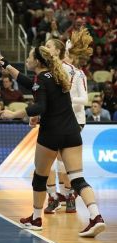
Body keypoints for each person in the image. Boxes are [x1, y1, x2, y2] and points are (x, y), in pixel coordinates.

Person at [0, 45, 105, 237]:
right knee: (77, 179)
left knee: (40, 177)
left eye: (29, 56)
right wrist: (7, 66)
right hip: (71, 131)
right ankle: (96, 217)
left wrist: (13, 114)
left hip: (51, 133)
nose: (27, 59)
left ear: (37, 61)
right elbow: (30, 83)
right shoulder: (56, 76)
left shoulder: (41, 79)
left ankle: (37, 218)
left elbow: (40, 106)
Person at [43, 28, 92, 214]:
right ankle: (63, 195)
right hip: (59, 118)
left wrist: (67, 101)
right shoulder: (54, 71)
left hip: (75, 119)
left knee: (62, 160)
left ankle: (67, 195)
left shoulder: (78, 74)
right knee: (58, 160)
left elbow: (85, 100)